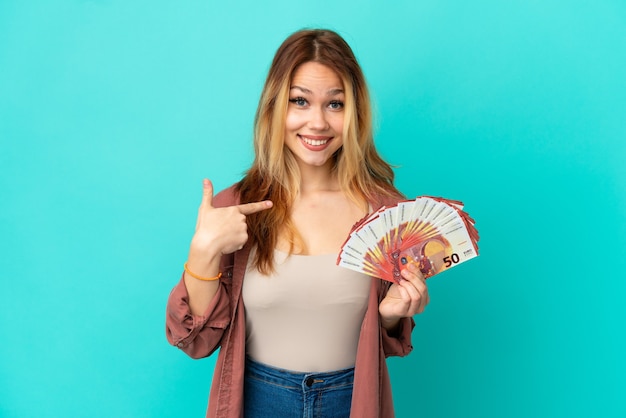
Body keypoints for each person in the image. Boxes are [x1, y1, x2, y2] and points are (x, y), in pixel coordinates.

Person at [165, 28, 429, 418]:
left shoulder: (387, 214)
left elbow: (390, 341)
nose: (318, 122)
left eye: (335, 104)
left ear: (354, 111)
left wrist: (391, 315)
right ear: (275, 107)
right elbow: (196, 342)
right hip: (259, 401)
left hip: (352, 401)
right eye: (300, 101)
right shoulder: (236, 209)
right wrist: (202, 251)